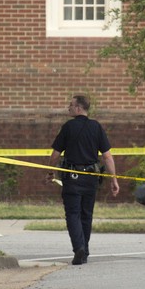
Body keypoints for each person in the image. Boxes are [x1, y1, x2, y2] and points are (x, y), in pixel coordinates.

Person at [49, 94, 120, 265]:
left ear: (79, 108)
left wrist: (50, 172)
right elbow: (108, 157)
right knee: (86, 215)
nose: (68, 108)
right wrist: (114, 179)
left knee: (73, 214)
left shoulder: (68, 127)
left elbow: (55, 155)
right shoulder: (96, 127)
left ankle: (79, 248)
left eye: (71, 105)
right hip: (91, 179)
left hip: (72, 178)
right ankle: (85, 250)